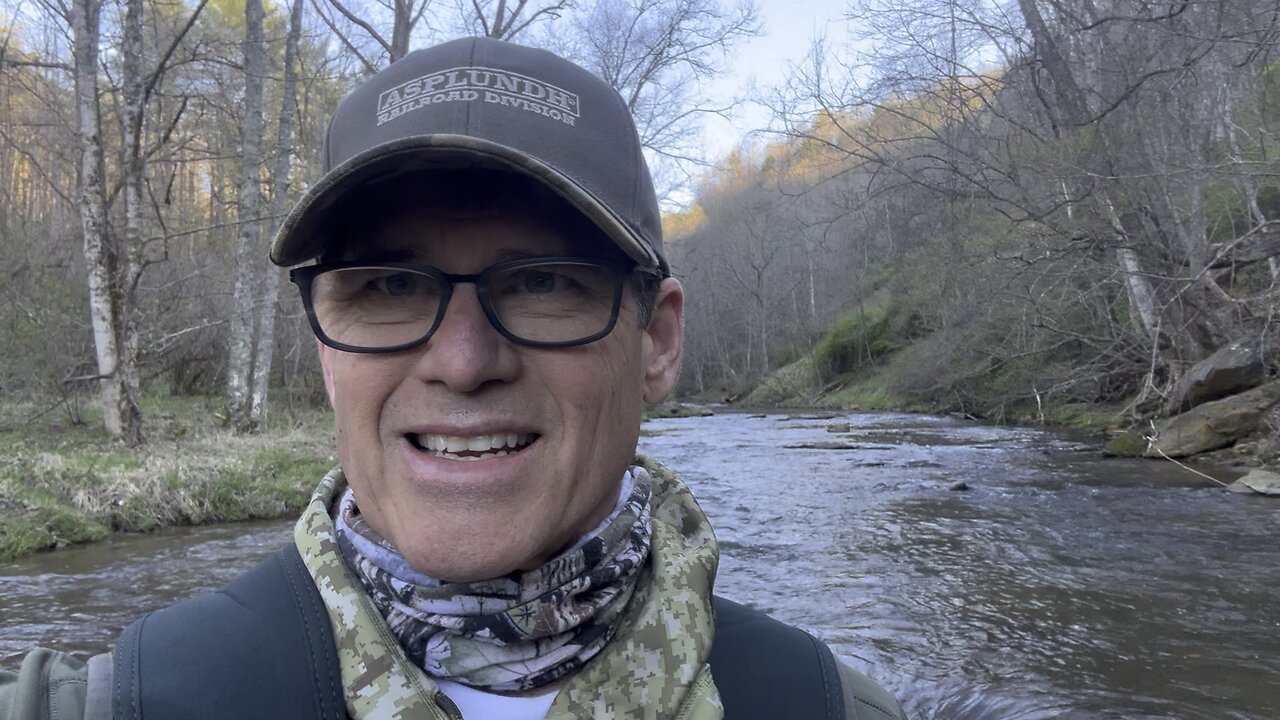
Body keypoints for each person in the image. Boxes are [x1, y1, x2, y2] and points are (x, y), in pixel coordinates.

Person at [0, 37, 906, 720]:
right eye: (391, 286)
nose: (464, 362)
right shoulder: (114, 702)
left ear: (657, 342)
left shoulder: (827, 707)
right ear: (325, 345)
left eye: (543, 281)